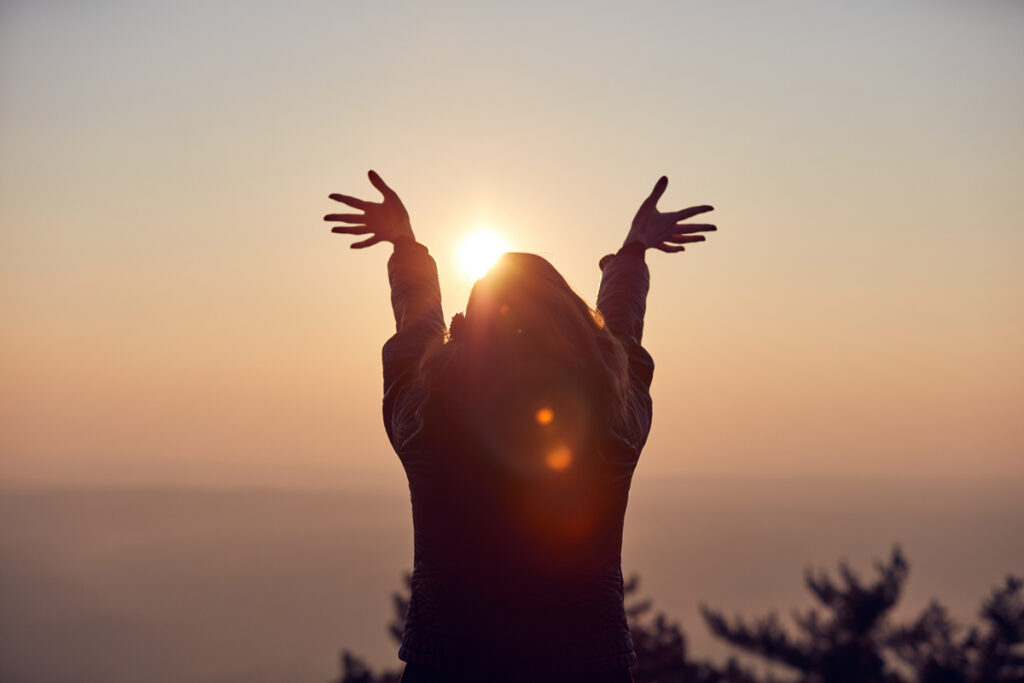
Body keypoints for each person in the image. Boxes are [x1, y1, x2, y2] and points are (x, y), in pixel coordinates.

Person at [325, 171, 716, 682]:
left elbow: (415, 329)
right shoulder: (612, 423)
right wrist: (633, 253)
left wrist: (405, 245)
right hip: (587, 669)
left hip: (448, 667)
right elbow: (622, 336)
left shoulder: (425, 421)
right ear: (574, 325)